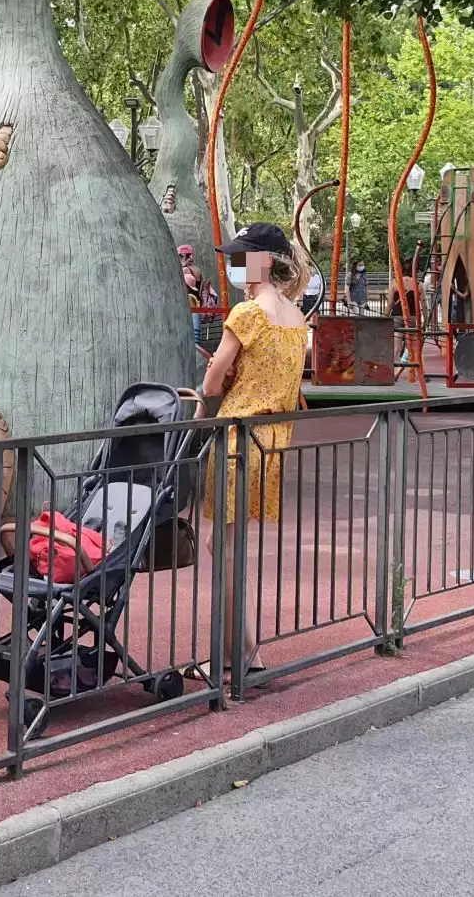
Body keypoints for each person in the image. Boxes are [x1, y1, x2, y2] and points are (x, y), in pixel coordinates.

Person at [198, 222, 310, 675]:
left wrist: (218, 380)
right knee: (227, 545)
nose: (234, 264)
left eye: (241, 257)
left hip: (236, 437)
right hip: (273, 438)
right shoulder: (296, 317)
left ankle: (238, 655)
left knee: (223, 547)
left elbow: (210, 384)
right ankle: (244, 650)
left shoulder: (247, 313)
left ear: (262, 261)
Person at [178, 245, 204, 341]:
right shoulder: (197, 270)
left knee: (188, 336)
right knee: (196, 335)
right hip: (197, 302)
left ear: (185, 256)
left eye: (181, 256)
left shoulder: (185, 270)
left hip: (188, 303)